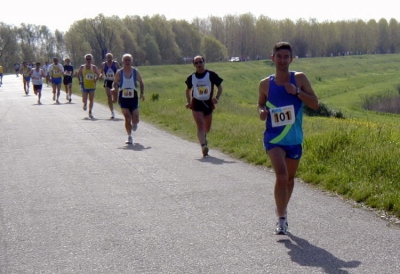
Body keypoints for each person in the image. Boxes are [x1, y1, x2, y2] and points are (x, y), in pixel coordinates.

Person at [257, 42, 319, 235]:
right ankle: (281, 219)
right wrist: (261, 112)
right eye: (279, 56)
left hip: (294, 138)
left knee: (290, 180)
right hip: (274, 137)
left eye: (286, 56)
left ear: (291, 59)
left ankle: (282, 209)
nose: (282, 60)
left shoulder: (299, 79)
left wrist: (298, 92)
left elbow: (315, 104)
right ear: (272, 58)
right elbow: (260, 104)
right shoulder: (265, 83)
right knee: (282, 176)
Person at [185, 55, 223, 157]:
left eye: (200, 62)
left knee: (207, 128)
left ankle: (204, 138)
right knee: (200, 125)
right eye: (196, 63)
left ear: (204, 62)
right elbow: (188, 90)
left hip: (208, 104)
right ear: (194, 65)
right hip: (196, 103)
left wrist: (217, 97)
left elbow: (220, 87)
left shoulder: (211, 75)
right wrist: (189, 102)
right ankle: (203, 146)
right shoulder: (191, 78)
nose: (199, 64)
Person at [112, 53, 144, 144]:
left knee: (135, 118)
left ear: (131, 61)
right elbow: (115, 83)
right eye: (125, 60)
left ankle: (134, 123)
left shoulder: (135, 72)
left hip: (133, 98)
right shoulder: (119, 73)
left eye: (129, 60)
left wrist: (142, 93)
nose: (127, 62)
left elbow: (141, 83)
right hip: (123, 99)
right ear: (122, 62)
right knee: (127, 117)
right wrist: (115, 89)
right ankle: (129, 136)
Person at [77, 54, 101, 118]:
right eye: (87, 59)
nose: (88, 60)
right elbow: (78, 74)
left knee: (91, 99)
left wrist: (96, 79)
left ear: (92, 60)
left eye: (89, 59)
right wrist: (80, 80)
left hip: (92, 86)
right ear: (85, 60)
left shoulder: (94, 67)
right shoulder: (82, 67)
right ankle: (85, 104)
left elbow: (99, 74)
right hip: (84, 86)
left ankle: (90, 112)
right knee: (84, 99)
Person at [101, 53, 121, 119]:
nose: (109, 58)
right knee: (109, 95)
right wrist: (101, 75)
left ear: (112, 58)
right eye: (108, 57)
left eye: (110, 57)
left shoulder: (115, 63)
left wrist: (119, 77)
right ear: (106, 58)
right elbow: (101, 72)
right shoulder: (104, 64)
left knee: (115, 99)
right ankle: (112, 112)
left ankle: (111, 102)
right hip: (107, 81)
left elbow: (120, 70)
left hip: (114, 81)